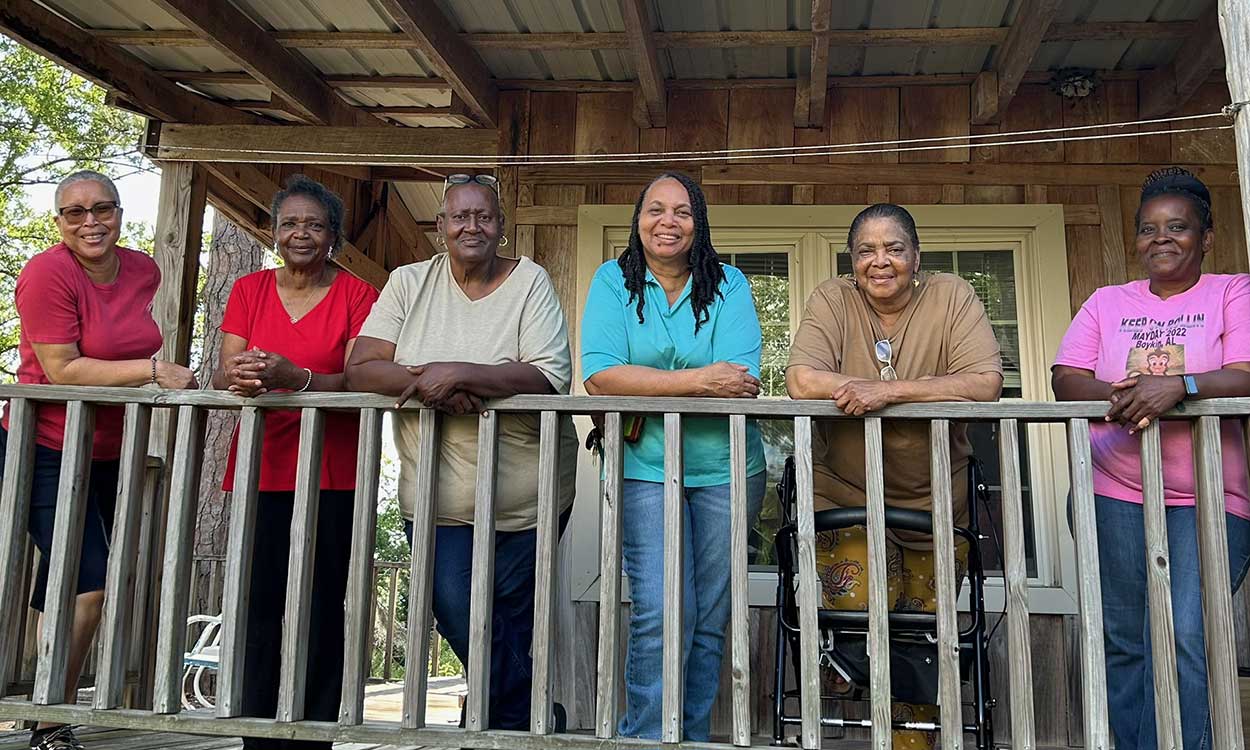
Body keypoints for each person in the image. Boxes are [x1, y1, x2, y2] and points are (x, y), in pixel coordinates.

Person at [345, 172, 576, 731]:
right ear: (440, 227)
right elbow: (360, 367)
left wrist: (463, 373)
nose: (472, 225)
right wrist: (432, 383)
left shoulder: (530, 281)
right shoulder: (408, 283)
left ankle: (499, 727)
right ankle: (526, 713)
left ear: (501, 226)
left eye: (484, 216)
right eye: (459, 217)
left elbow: (546, 376)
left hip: (530, 494)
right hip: (436, 496)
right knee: (454, 605)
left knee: (512, 615)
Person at [785, 203, 1002, 749]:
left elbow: (984, 383)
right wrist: (880, 386)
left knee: (920, 644)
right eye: (866, 251)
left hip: (936, 503)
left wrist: (890, 392)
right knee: (861, 615)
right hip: (844, 493)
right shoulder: (833, 299)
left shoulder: (951, 296)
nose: (880, 261)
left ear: (916, 257)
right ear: (852, 261)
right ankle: (846, 659)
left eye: (894, 248)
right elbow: (802, 379)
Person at [1052, 167, 1250, 750]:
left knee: (1188, 634)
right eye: (1148, 229)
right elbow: (1067, 379)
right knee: (1124, 639)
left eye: (1177, 227)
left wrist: (1181, 385)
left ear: (1205, 237)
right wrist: (1132, 394)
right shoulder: (1107, 302)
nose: (1160, 239)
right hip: (1112, 490)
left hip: (1210, 497)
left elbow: (1245, 373)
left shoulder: (1233, 292)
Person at [0, 170, 197, 750]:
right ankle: (51, 717)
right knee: (85, 586)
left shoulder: (143, 270)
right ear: (59, 222)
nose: (91, 222)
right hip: (45, 447)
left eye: (102, 209)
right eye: (75, 213)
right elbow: (63, 369)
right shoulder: (45, 274)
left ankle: (46, 710)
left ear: (119, 212)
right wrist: (154, 371)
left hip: (112, 450)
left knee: (71, 582)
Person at [579, 171, 767, 741]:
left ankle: (689, 736)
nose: (668, 221)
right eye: (655, 210)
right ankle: (645, 737)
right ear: (638, 220)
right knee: (662, 612)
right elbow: (601, 375)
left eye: (682, 211)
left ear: (698, 222)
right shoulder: (613, 281)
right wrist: (700, 379)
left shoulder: (729, 284)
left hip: (729, 468)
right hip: (644, 467)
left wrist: (661, 382)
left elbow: (741, 378)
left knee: (708, 619)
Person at [212, 174, 378, 749]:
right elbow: (222, 371)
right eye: (289, 224)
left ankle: (312, 734)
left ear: (333, 235)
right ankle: (257, 732)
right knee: (259, 600)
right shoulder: (249, 291)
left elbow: (359, 379)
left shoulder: (359, 295)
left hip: (332, 468)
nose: (300, 234)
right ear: (273, 231)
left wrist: (297, 380)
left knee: (322, 601)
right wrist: (240, 375)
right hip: (261, 464)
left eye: (314, 224)